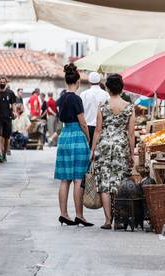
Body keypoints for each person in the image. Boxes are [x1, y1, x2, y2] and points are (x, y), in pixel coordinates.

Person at [91, 74, 135, 230]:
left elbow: (97, 130)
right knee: (119, 182)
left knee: (104, 183)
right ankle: (119, 219)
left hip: (104, 146)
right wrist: (132, 153)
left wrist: (92, 150)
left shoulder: (103, 106)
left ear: (107, 89)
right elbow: (131, 133)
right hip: (121, 147)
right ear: (122, 88)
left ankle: (108, 220)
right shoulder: (129, 107)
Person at [54, 63, 93, 227]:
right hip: (77, 136)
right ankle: (79, 215)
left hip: (64, 137)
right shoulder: (77, 98)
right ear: (77, 82)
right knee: (78, 178)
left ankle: (63, 214)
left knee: (65, 179)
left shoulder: (60, 98)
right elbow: (83, 123)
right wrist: (89, 139)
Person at [80, 72, 109, 148]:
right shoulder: (106, 94)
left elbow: (81, 112)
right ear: (99, 82)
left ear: (89, 82)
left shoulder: (83, 94)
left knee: (88, 152)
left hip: (87, 128)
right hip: (102, 128)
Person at [0, 76, 17, 163]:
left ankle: (4, 154)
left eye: (4, 82)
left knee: (6, 137)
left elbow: (13, 104)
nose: (2, 83)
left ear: (6, 83)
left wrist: (14, 112)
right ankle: (0, 153)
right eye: (1, 82)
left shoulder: (10, 93)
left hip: (7, 117)